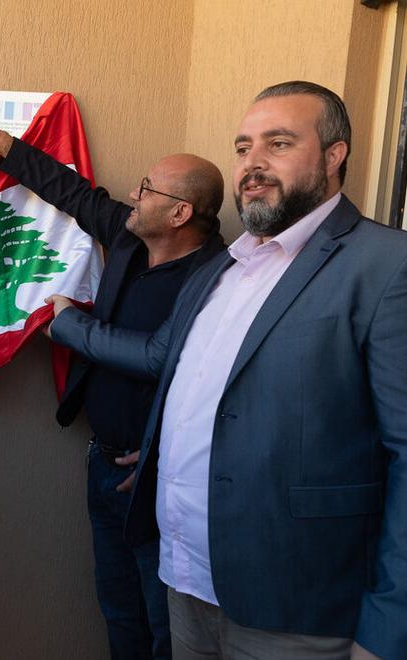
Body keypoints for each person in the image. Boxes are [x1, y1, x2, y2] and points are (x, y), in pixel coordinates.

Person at [48, 81, 406, 659]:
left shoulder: (387, 265)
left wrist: (389, 631)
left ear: (333, 155)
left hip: (294, 606)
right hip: (184, 578)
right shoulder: (224, 269)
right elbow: (182, 374)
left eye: (278, 143)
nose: (253, 163)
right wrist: (158, 453)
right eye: (243, 148)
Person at [0, 115, 224, 659]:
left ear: (181, 213)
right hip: (102, 460)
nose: (134, 195)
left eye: (148, 189)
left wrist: (69, 325)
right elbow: (73, 193)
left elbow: (160, 358)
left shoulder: (215, 277)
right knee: (118, 610)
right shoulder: (130, 236)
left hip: (156, 480)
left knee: (164, 625)